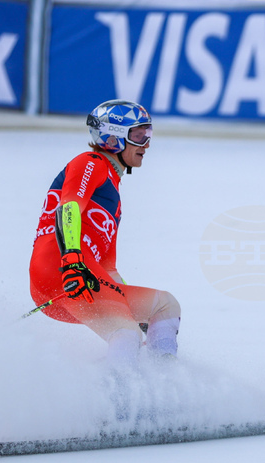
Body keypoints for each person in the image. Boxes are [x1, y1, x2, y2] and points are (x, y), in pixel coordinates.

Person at [29, 100, 181, 363]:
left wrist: (136, 313)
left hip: (75, 277)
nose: (145, 144)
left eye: (148, 134)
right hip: (64, 269)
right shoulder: (91, 162)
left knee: (165, 306)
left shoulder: (114, 199)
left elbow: (108, 268)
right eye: (137, 135)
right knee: (126, 333)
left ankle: (162, 381)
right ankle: (119, 399)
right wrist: (72, 261)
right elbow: (68, 209)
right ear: (113, 137)